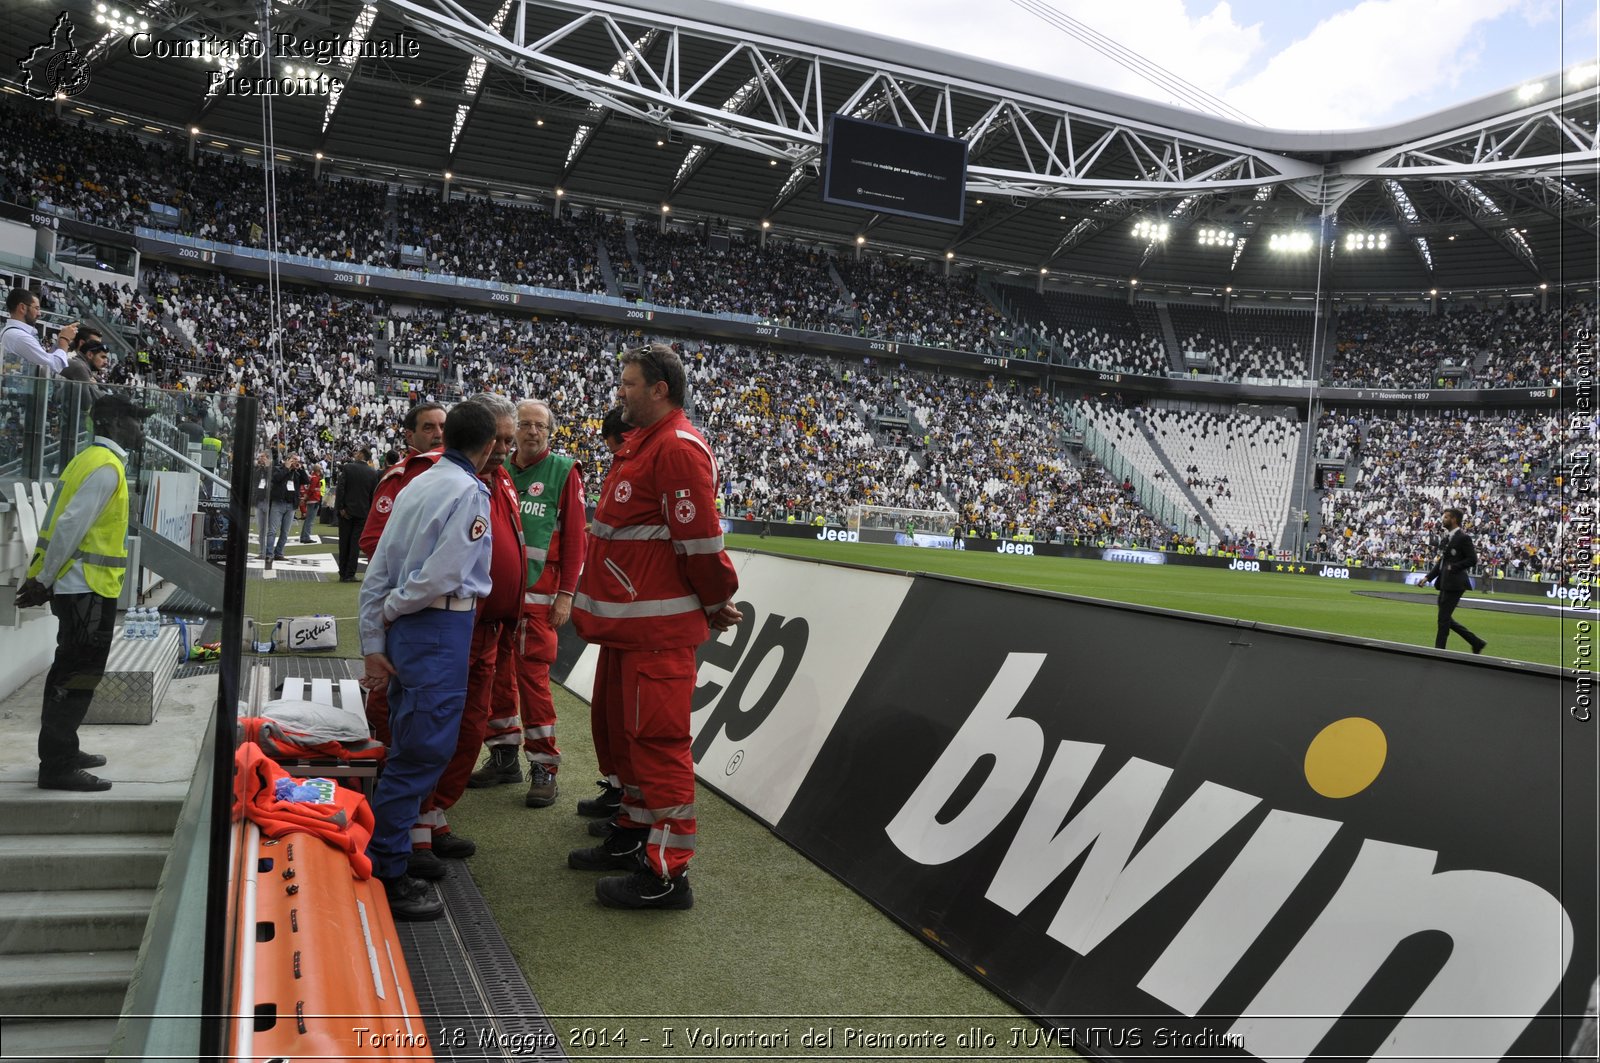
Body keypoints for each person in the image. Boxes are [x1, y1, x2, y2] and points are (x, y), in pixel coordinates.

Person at [571, 344, 743, 911]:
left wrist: (715, 601)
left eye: (628, 383)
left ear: (659, 389)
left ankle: (668, 874)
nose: (620, 391)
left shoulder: (676, 448)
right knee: (629, 743)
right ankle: (635, 836)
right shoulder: (644, 445)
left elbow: (700, 545)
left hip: (657, 635)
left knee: (659, 747)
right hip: (629, 631)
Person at [358, 401, 498, 921]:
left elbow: (379, 569)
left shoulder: (416, 482)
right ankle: (386, 868)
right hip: (438, 626)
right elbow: (442, 575)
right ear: (484, 449)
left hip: (419, 629)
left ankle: (388, 853)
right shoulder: (467, 491)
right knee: (422, 750)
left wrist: (376, 632)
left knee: (410, 740)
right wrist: (394, 611)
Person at [410, 394, 525, 879]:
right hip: (454, 627)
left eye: (507, 439)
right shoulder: (443, 480)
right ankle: (414, 830)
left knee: (470, 728)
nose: (502, 447)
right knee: (433, 727)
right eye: (495, 438)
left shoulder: (501, 483)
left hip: (489, 635)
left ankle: (435, 816)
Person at [15, 393, 154, 791]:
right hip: (85, 588)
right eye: (134, 419)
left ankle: (62, 750)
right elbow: (70, 527)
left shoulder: (88, 460)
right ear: (112, 424)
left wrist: (45, 578)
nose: (140, 428)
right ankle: (57, 765)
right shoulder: (106, 468)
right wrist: (44, 581)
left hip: (80, 587)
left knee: (71, 671)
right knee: (75, 675)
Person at [469, 399, 586, 808]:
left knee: (533, 682)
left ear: (549, 433)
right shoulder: (496, 468)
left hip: (539, 602)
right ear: (512, 429)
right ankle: (503, 755)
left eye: (540, 426)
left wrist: (566, 593)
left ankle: (544, 764)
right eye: (525, 424)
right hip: (494, 599)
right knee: (495, 676)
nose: (532, 431)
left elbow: (575, 539)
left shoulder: (563, 471)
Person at [1423, 507, 1486, 654]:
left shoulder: (1463, 538)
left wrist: (1455, 566)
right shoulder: (1447, 538)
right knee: (1445, 619)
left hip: (1456, 584)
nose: (1443, 520)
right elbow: (1442, 562)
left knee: (1443, 620)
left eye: (1446, 517)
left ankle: (1439, 651)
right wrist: (1428, 577)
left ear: (1454, 520)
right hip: (1444, 583)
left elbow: (1472, 559)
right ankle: (1476, 642)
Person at [2, 288, 77, 374]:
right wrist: (65, 339)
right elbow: (53, 366)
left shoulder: (13, 333)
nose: (39, 314)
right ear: (22, 308)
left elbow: (44, 360)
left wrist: (59, 342)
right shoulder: (19, 337)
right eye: (36, 308)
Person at [335, 448, 379, 582]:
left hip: (346, 512)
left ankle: (342, 572)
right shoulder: (372, 473)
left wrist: (341, 507)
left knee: (344, 542)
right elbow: (373, 495)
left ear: (361, 455)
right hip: (362, 512)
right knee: (355, 544)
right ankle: (350, 573)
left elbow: (341, 488)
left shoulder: (348, 468)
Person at [267, 453, 308, 561]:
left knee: (285, 532)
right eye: (294, 459)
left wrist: (301, 469)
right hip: (278, 503)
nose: (296, 462)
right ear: (288, 460)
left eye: (298, 460)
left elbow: (306, 481)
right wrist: (286, 468)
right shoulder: (278, 468)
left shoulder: (297, 473)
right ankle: (269, 553)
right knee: (272, 530)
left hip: (291, 505)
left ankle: (279, 553)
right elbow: (276, 478)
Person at [298, 457, 324, 543]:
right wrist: (306, 499)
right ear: (318, 470)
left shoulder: (312, 477)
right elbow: (312, 490)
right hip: (314, 500)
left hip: (311, 500)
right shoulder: (315, 478)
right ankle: (306, 537)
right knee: (310, 520)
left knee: (308, 520)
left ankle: (304, 536)